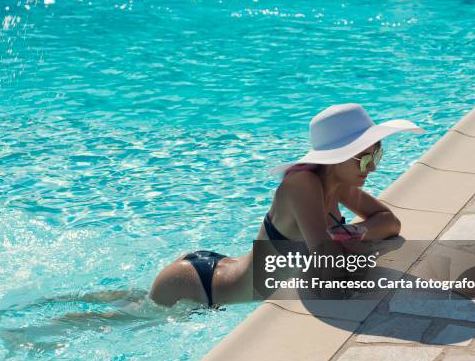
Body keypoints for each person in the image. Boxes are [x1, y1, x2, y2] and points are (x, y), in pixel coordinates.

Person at [149, 103, 425, 307]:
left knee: (128, 306)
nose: (373, 167)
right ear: (338, 158)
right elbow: (327, 270)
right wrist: (345, 244)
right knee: (119, 321)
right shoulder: (302, 184)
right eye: (365, 159)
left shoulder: (337, 184)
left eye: (377, 153)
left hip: (221, 271)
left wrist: (357, 232)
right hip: (198, 286)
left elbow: (389, 221)